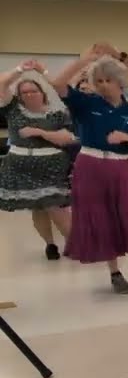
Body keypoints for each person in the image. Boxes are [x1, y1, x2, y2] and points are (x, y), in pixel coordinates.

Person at [50, 43, 128, 294]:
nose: (104, 84)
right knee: (102, 220)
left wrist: (127, 138)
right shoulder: (86, 103)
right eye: (99, 80)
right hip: (90, 166)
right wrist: (83, 61)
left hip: (124, 168)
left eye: (108, 80)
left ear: (120, 82)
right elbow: (57, 84)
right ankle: (115, 274)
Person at [0, 62, 75, 260]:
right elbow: (1, 84)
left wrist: (39, 132)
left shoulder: (58, 113)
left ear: (42, 92)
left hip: (52, 167)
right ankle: (50, 244)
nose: (29, 95)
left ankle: (74, 244)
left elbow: (67, 138)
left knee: (55, 206)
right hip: (20, 166)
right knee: (37, 207)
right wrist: (19, 70)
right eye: (24, 92)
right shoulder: (13, 109)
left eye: (33, 90)